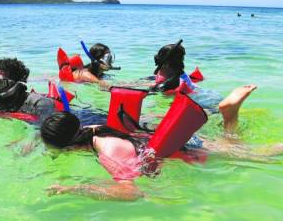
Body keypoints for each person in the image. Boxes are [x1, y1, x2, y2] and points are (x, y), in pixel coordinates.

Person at [40, 86, 283, 201]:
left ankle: (230, 114)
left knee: (261, 155)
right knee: (232, 144)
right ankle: (230, 115)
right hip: (178, 140)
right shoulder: (92, 130)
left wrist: (75, 189)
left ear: (68, 145)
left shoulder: (108, 154)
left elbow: (131, 192)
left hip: (187, 148)